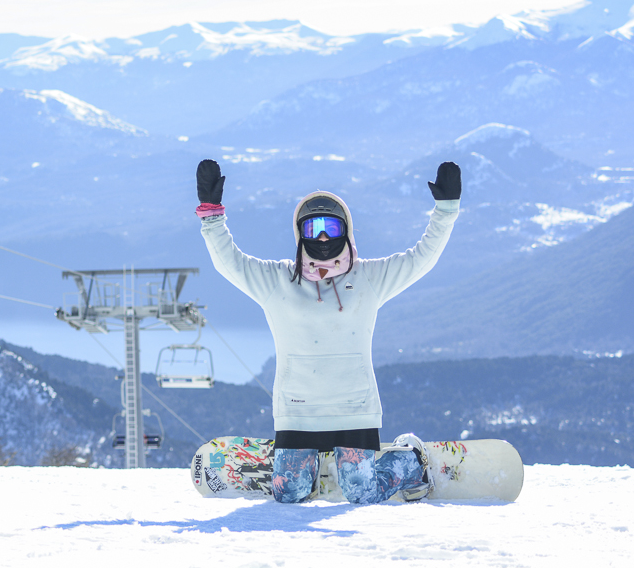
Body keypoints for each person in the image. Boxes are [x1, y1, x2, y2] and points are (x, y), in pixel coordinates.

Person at [195, 159, 461, 504]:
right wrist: (212, 216)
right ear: (299, 234)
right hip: (298, 408)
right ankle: (299, 469)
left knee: (362, 493)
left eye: (331, 229)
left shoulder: (368, 279)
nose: (322, 238)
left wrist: (446, 210)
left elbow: (421, 258)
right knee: (289, 494)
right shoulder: (277, 281)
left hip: (354, 407)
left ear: (346, 231)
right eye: (313, 229)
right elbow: (228, 262)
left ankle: (410, 458)